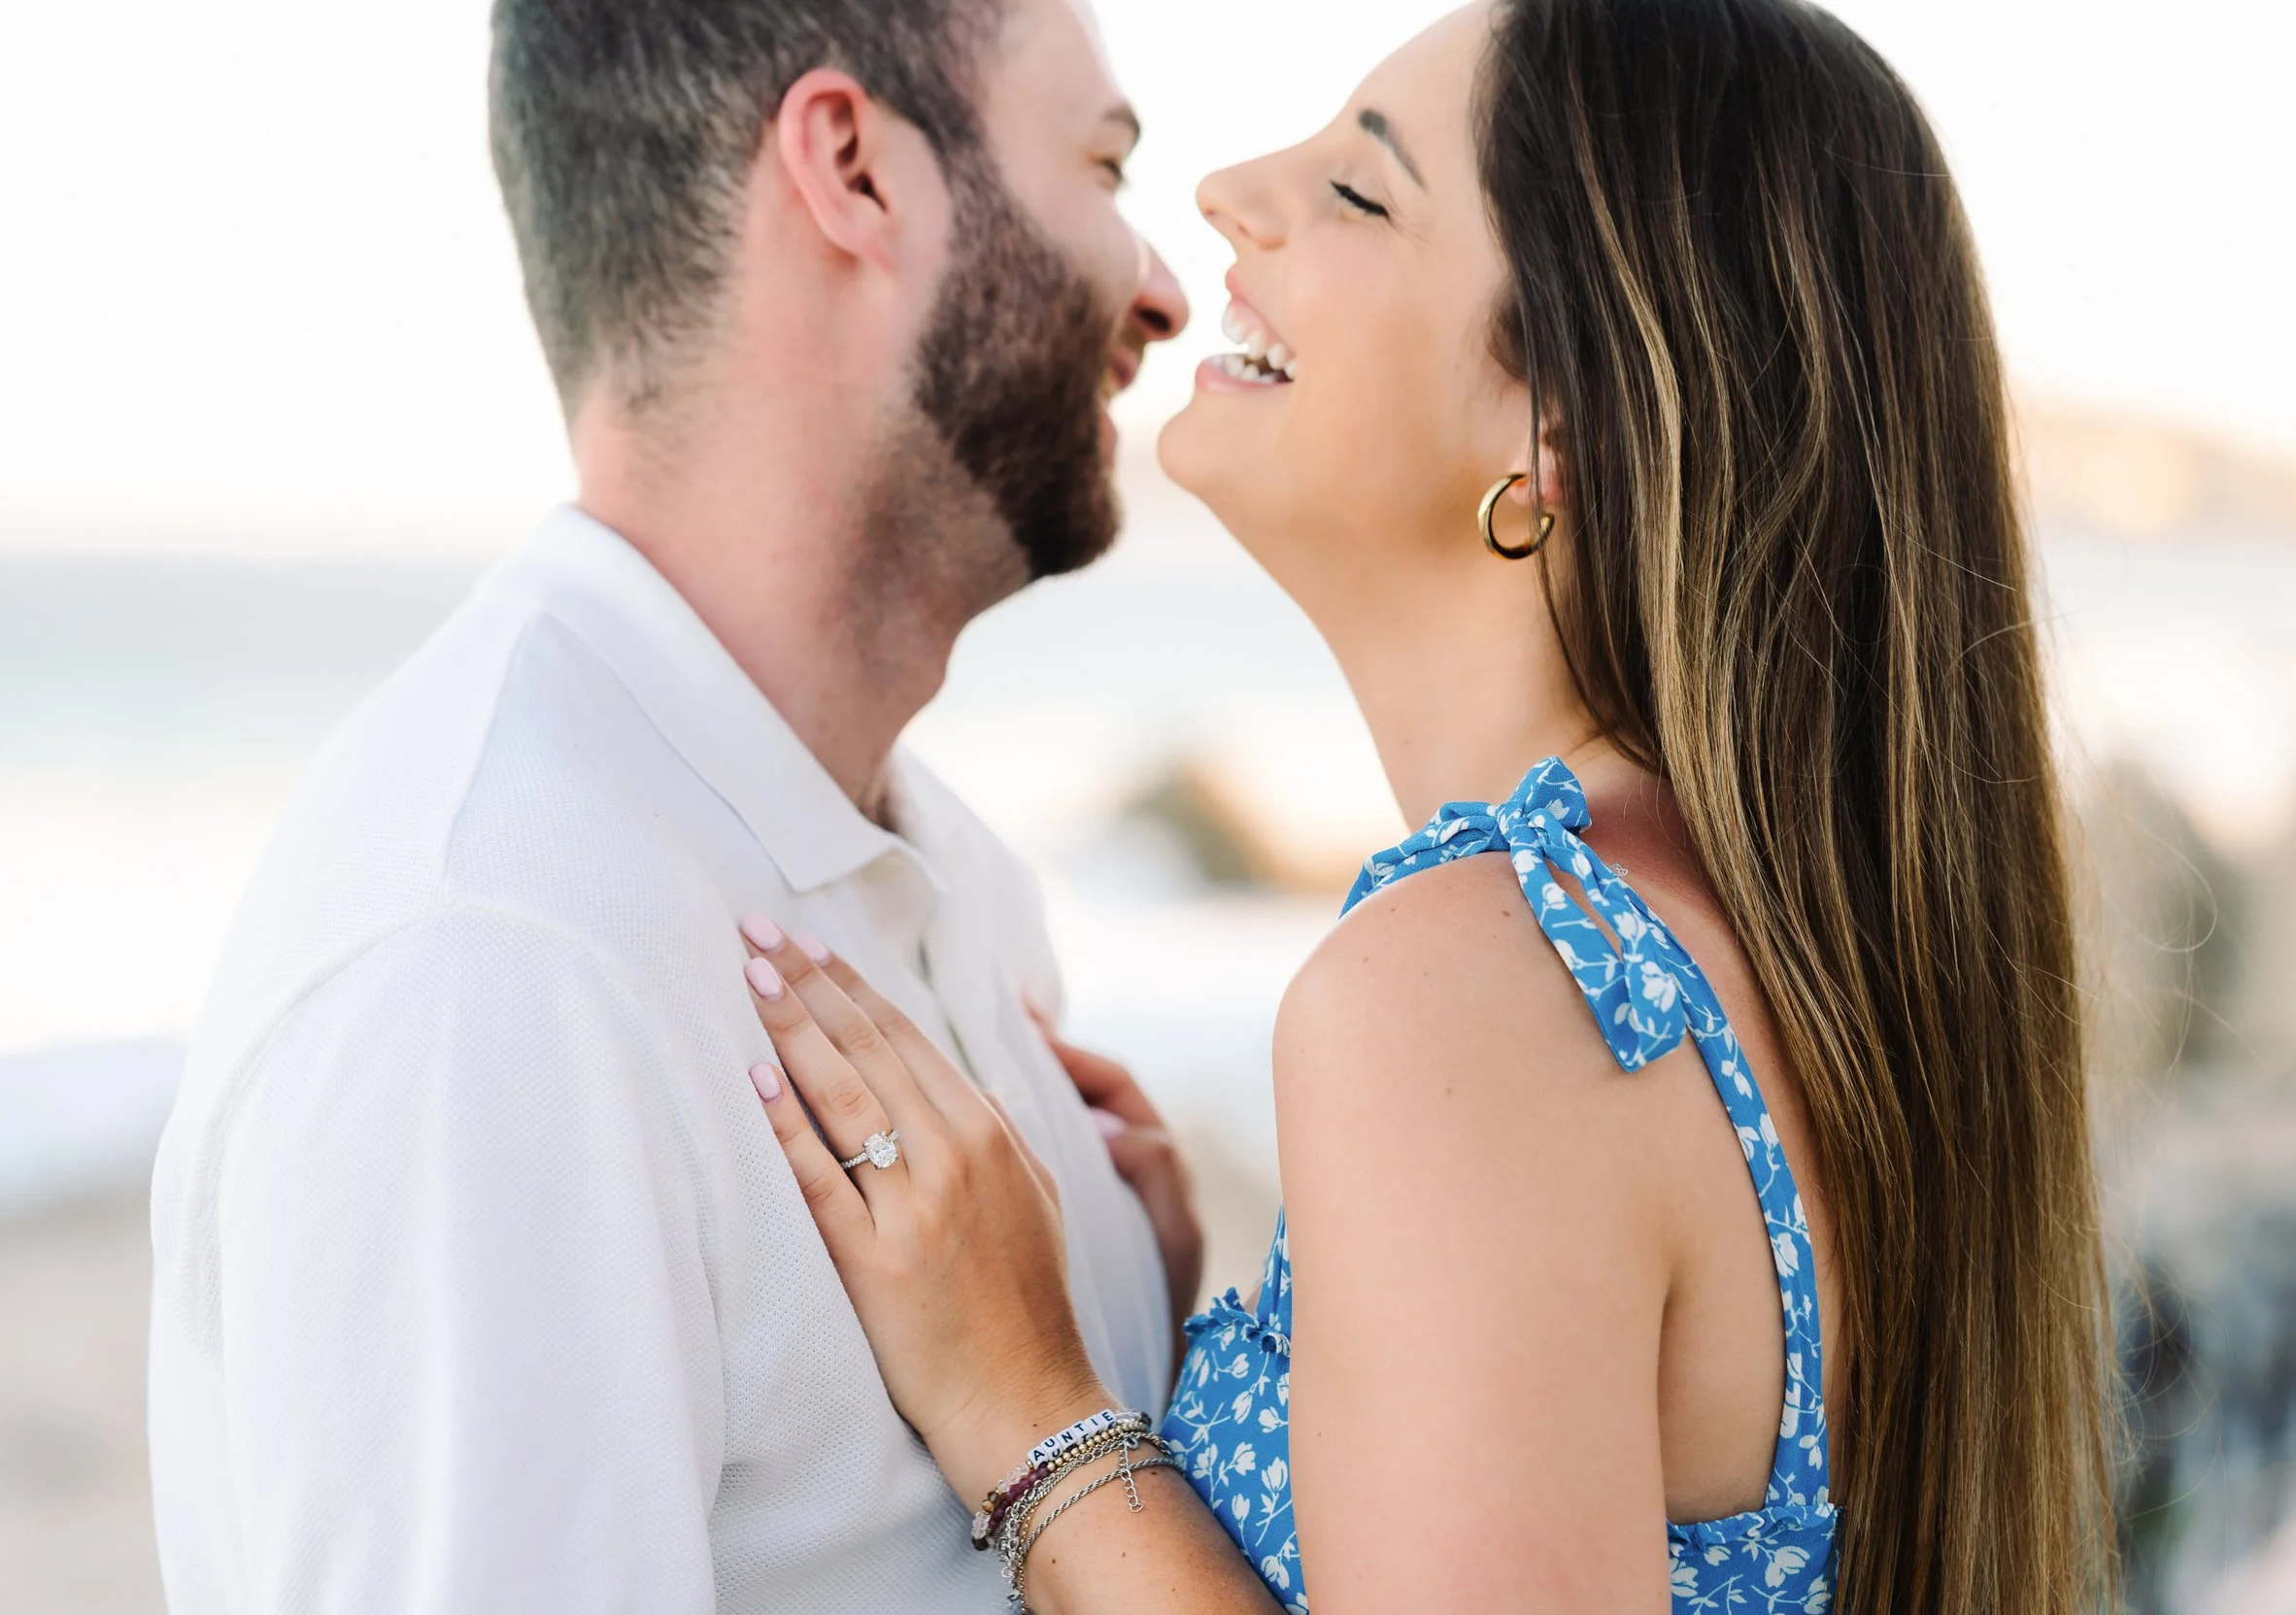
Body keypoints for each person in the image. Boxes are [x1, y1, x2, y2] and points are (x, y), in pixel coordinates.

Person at [738, 1, 2117, 1612]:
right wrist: (1217, 1344)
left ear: (1559, 435)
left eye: (1360, 192)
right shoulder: (1735, 946)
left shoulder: (1475, 990)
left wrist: (1031, 1403)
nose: (1231, 191)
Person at [144, 0, 1203, 1608]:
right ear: (853, 170)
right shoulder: (499, 957)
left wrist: (1148, 1339)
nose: (1164, 290)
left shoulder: (952, 871)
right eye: (1104, 167)